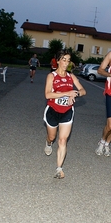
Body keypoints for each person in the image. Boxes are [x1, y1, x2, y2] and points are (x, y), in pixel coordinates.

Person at [43, 49, 86, 179]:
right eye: (64, 60)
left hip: (67, 111)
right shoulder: (52, 76)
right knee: (52, 137)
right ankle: (48, 143)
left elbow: (83, 90)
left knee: (62, 140)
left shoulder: (71, 76)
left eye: (68, 60)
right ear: (58, 61)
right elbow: (47, 94)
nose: (66, 63)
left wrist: (76, 94)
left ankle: (59, 168)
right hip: (52, 111)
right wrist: (66, 93)